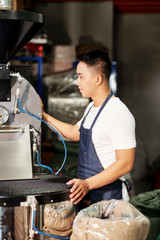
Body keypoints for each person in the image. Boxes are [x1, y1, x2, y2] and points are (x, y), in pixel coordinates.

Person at [41, 50, 136, 207]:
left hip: (110, 199)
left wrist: (88, 184)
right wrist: (43, 115)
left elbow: (126, 163)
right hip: (88, 195)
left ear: (98, 79)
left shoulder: (118, 113)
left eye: (81, 76)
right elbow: (73, 133)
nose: (77, 82)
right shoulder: (92, 107)